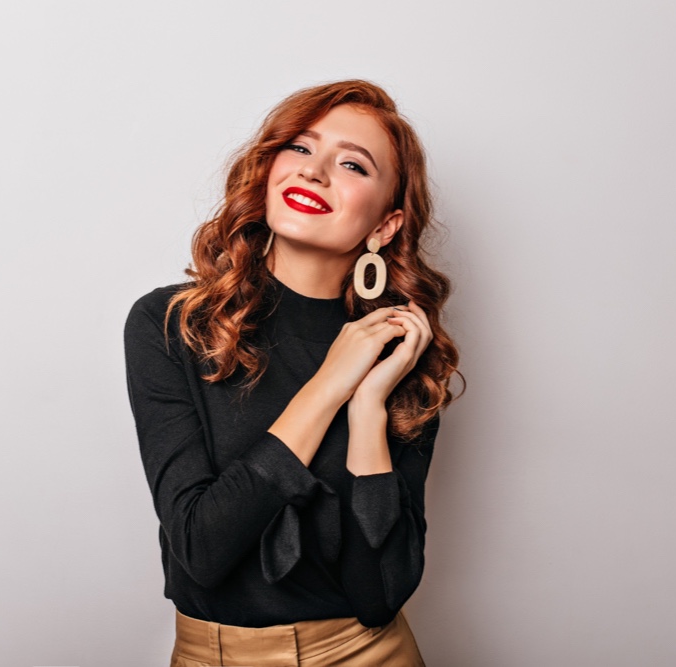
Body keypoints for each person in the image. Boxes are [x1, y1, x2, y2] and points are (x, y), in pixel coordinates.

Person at [124, 79, 462, 666]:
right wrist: (331, 385)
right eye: (301, 149)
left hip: (369, 654)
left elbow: (379, 593)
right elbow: (202, 549)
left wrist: (367, 411)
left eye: (352, 164)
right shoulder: (171, 323)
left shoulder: (400, 352)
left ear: (384, 226)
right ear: (269, 170)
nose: (315, 172)